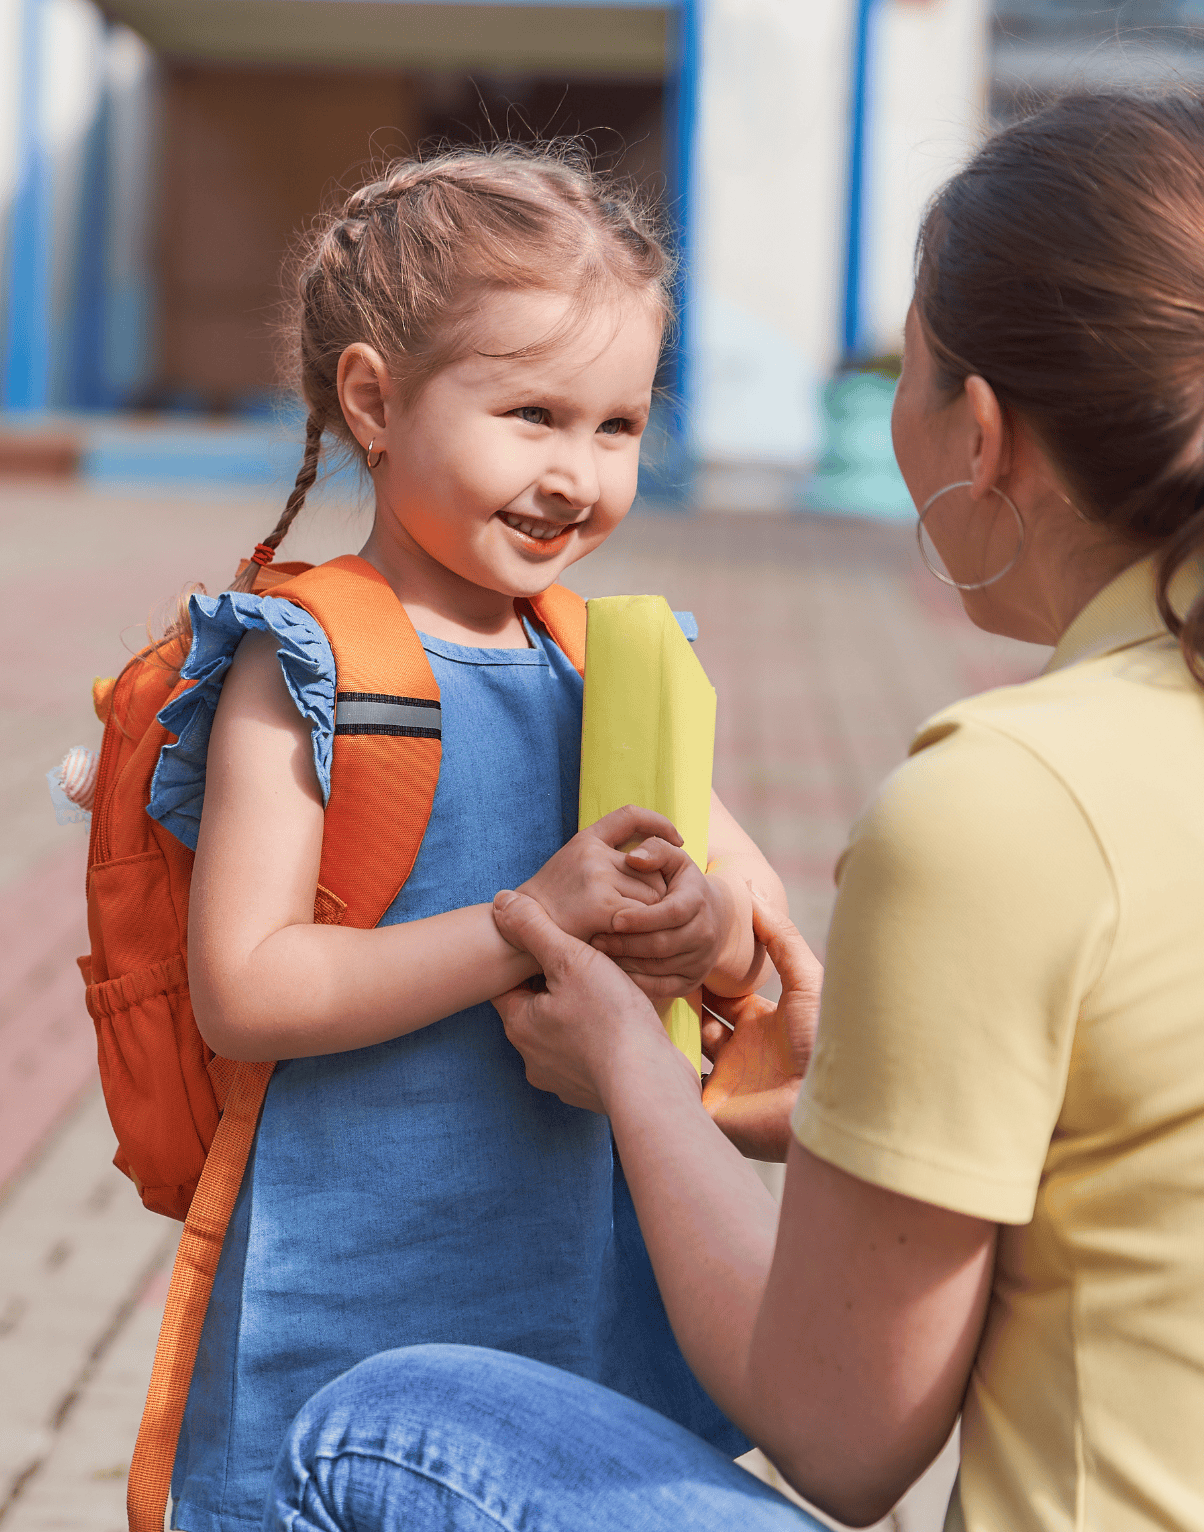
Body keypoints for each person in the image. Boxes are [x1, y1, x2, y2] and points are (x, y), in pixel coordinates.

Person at [262, 85, 1204, 1532]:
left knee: (383, 1423)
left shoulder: (1013, 801)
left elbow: (843, 1438)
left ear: (982, 432)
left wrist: (630, 1059)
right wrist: (842, 1117)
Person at [151, 148, 791, 1530]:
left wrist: (713, 930)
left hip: (574, 1285)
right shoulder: (307, 662)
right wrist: (527, 915)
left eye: (618, 426)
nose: (576, 474)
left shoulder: (607, 659)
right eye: (533, 414)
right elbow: (247, 988)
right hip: (352, 1293)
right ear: (375, 400)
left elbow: (748, 914)